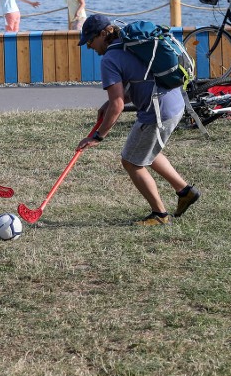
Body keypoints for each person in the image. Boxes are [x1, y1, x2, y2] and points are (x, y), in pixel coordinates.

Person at [75, 14, 200, 226]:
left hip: (158, 112)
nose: (89, 47)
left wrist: (98, 136)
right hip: (175, 102)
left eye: (90, 41)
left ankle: (160, 215)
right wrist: (115, 102)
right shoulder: (131, 44)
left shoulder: (110, 59)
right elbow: (141, 80)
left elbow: (117, 105)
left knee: (131, 161)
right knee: (148, 152)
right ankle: (185, 191)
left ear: (103, 34)